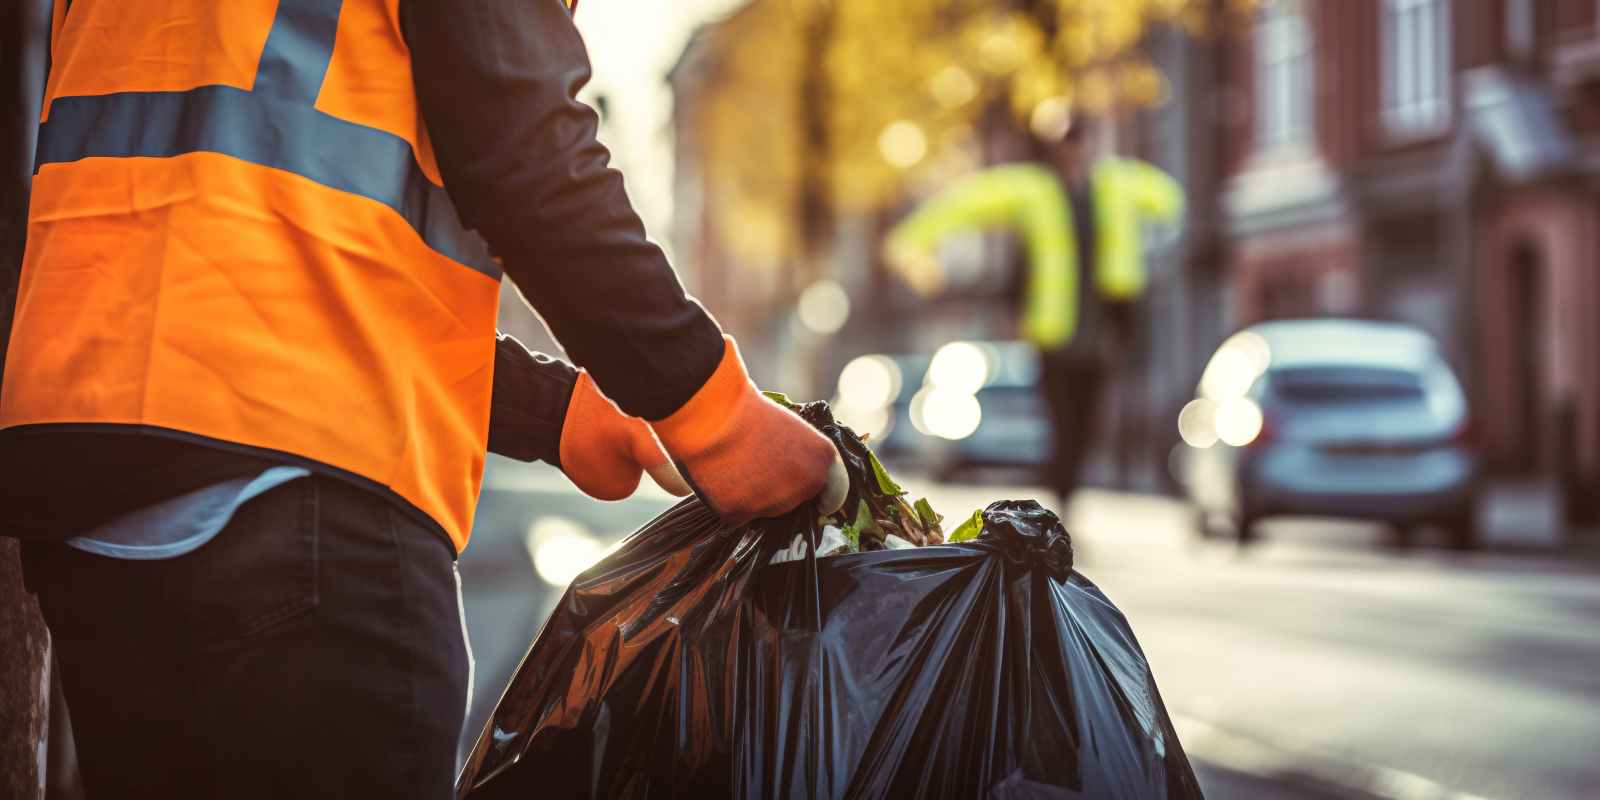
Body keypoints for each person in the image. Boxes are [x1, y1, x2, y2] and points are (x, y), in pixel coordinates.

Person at [0, 0, 846, 796]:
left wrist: (550, 411)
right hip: (302, 502)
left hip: (94, 492)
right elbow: (525, 151)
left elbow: (228, 245)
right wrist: (716, 417)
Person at [885, 118, 1182, 510]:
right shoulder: (1036, 192)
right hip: (1054, 334)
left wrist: (1160, 241)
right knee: (1060, 421)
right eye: (1067, 146)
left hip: (1102, 334)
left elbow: (1169, 200)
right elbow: (971, 201)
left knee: (1086, 421)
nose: (1074, 154)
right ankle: (1063, 497)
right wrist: (911, 243)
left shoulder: (1116, 187)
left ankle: (1069, 491)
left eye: (1079, 145)